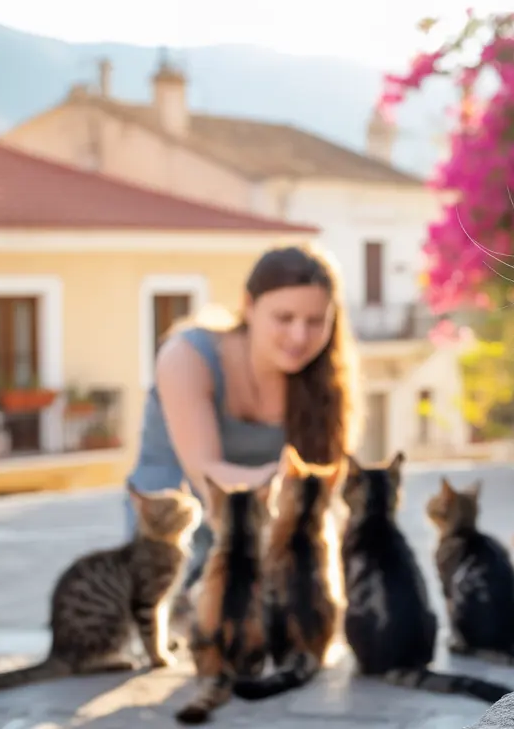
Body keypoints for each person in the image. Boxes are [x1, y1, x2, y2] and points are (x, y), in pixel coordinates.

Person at [124, 243, 360, 587]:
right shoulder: (187, 356)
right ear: (248, 305)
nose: (299, 336)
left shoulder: (325, 378)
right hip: (177, 532)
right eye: (284, 318)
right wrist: (287, 483)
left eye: (315, 321)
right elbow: (205, 474)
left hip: (263, 525)